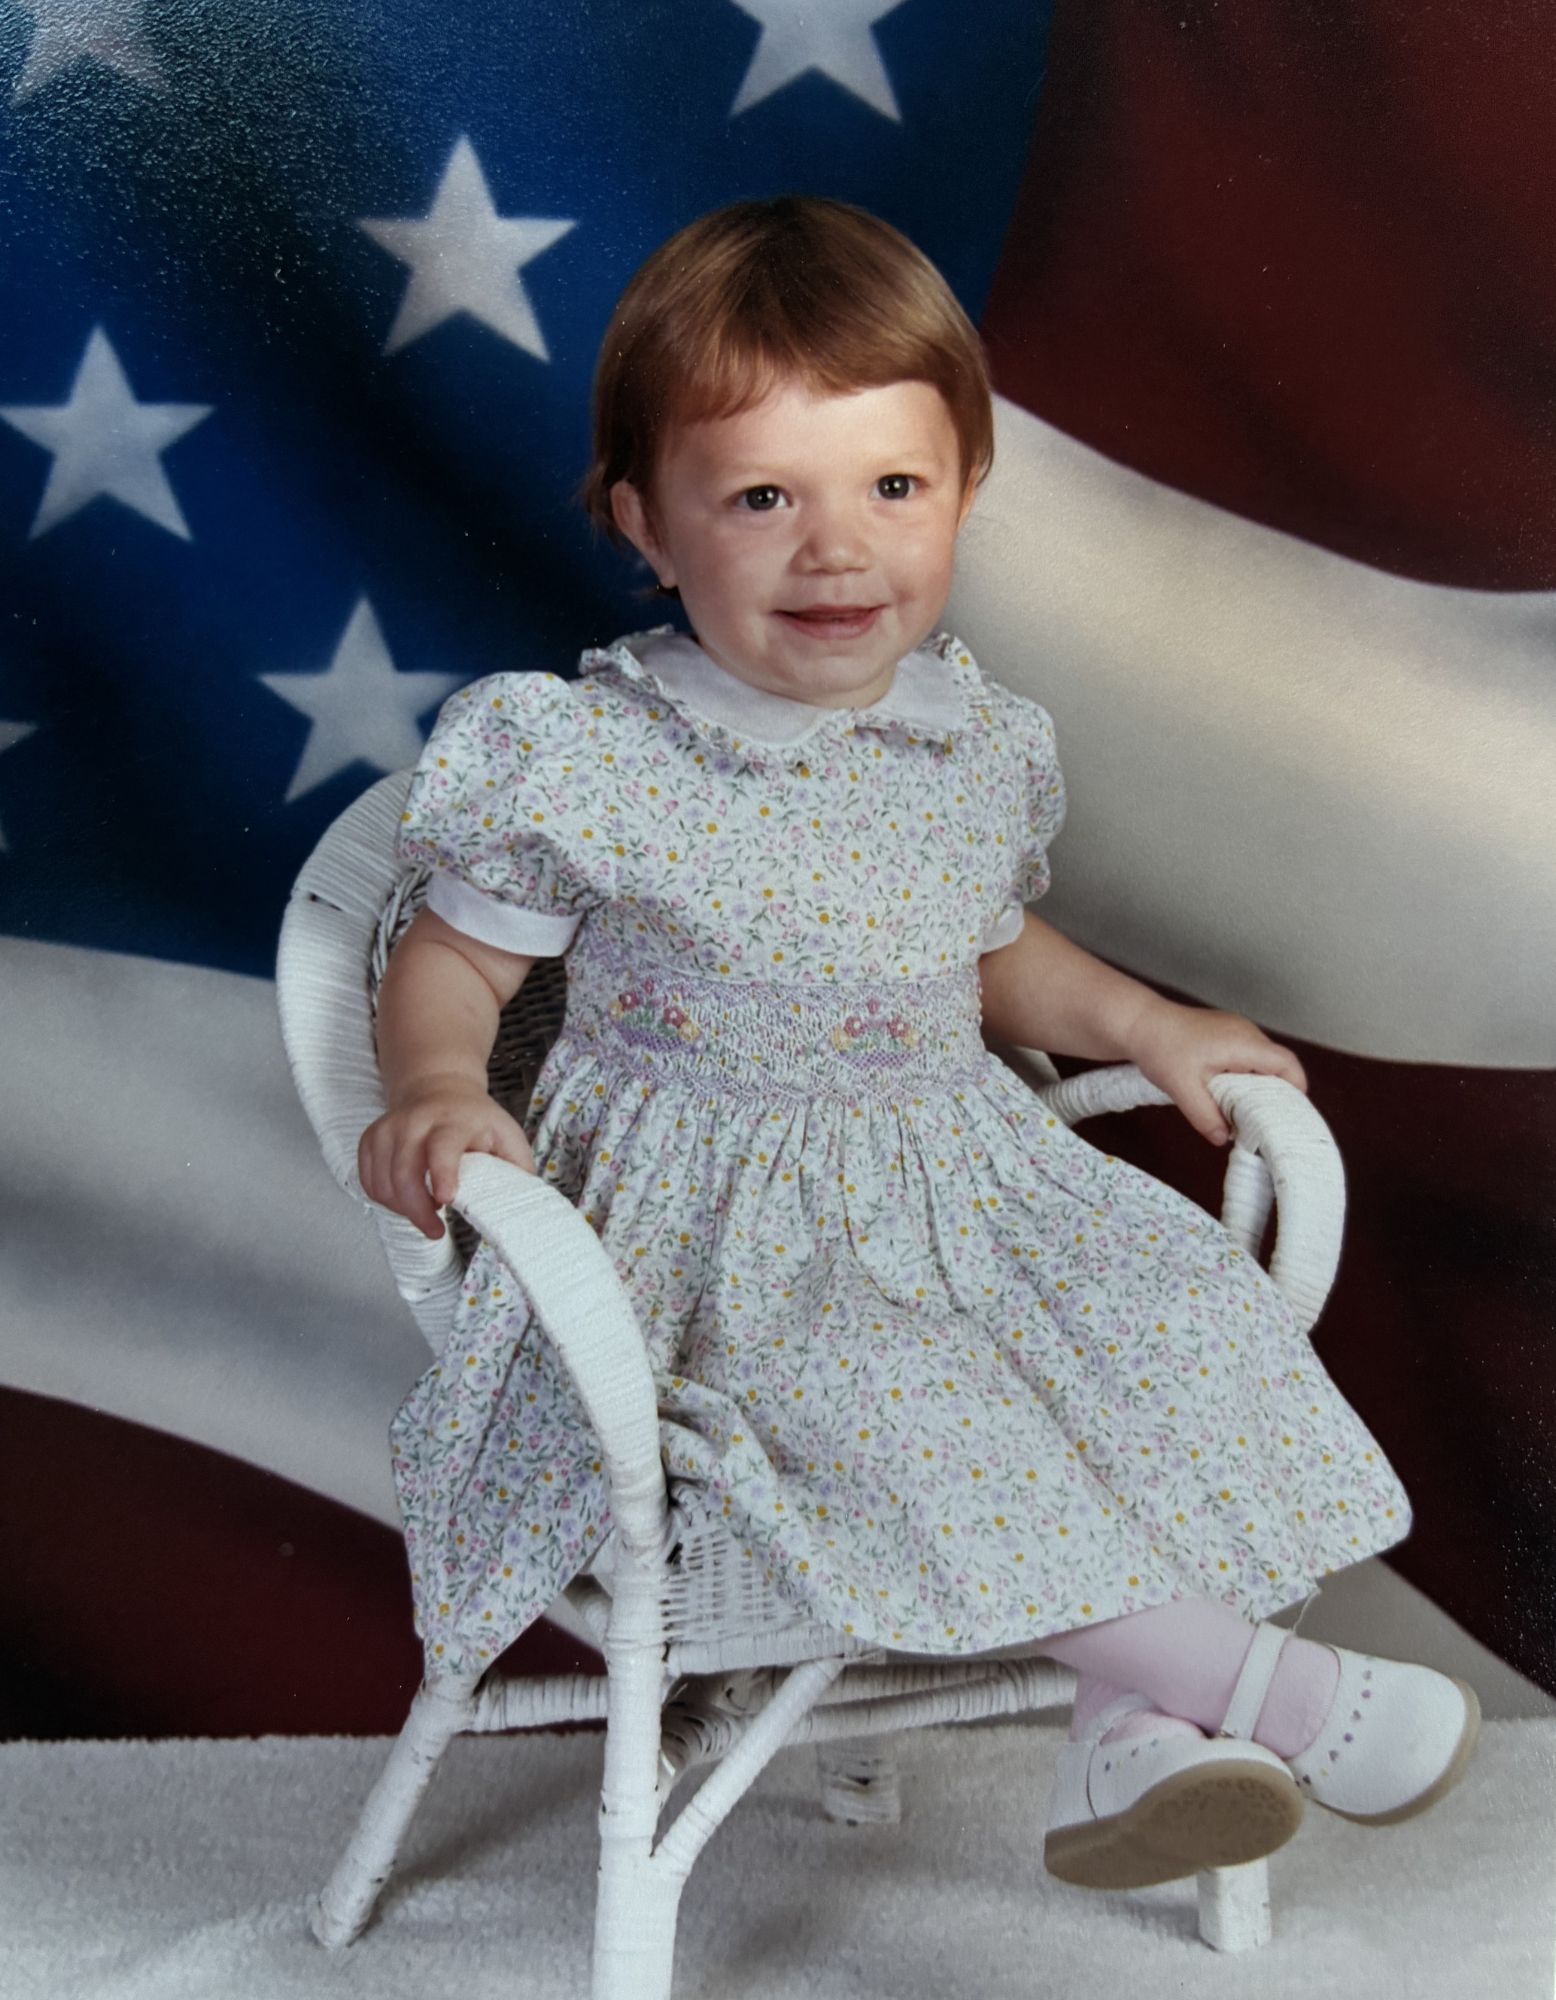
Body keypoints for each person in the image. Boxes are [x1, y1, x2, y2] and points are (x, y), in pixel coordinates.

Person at [358, 195, 1479, 1889]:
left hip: (956, 1181)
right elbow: (450, 958)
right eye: (760, 500)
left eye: (894, 488)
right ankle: (1278, 1691)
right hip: (712, 1224)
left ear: (963, 493)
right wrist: (440, 1084)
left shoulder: (969, 741)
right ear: (643, 525)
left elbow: (988, 949)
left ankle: (1128, 1743)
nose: (838, 549)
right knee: (884, 1388)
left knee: (1155, 1324)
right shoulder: (586, 753)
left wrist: (1141, 1019)